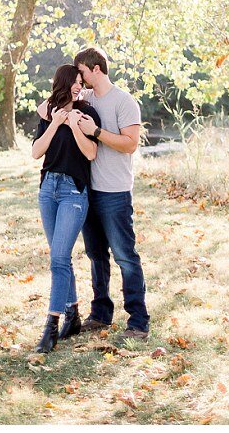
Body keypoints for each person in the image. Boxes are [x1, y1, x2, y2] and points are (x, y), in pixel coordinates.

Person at [69, 45, 150, 339]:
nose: (80, 78)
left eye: (81, 72)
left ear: (96, 70)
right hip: (88, 191)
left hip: (115, 193)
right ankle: (101, 314)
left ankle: (138, 321)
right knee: (95, 256)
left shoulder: (124, 102)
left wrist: (97, 132)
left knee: (125, 256)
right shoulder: (86, 98)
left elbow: (130, 144)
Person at [30, 63, 101, 354]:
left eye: (80, 81)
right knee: (60, 257)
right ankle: (72, 315)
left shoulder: (86, 112)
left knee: (59, 259)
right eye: (73, 81)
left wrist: (73, 126)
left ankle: (51, 326)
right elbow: (36, 152)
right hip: (48, 190)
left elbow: (91, 153)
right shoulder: (50, 113)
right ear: (63, 83)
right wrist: (57, 123)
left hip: (74, 190)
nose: (78, 85)